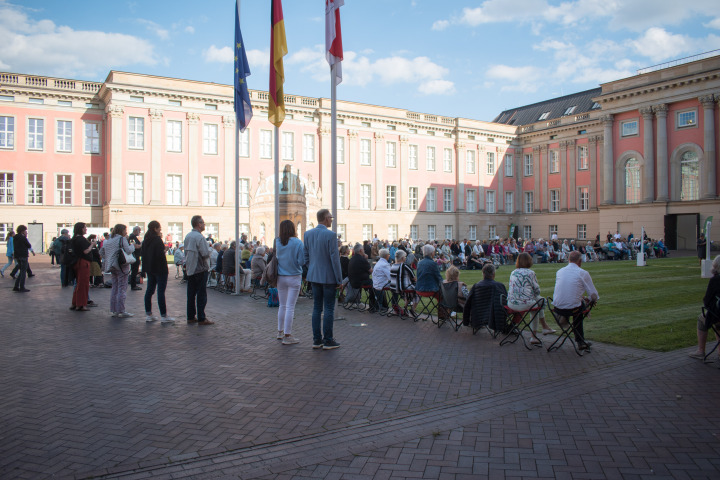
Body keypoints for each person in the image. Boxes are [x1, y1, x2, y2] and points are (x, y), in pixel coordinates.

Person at [304, 209, 343, 350]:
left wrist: (313, 268)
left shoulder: (307, 234)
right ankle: (328, 340)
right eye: (331, 217)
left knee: (316, 308)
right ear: (326, 218)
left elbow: (305, 257)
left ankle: (316, 340)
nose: (332, 220)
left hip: (314, 276)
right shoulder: (331, 235)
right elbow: (335, 259)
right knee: (328, 308)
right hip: (329, 277)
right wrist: (339, 279)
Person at [552, 251, 599, 350]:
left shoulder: (560, 271)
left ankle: (565, 317)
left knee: (578, 302)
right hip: (572, 308)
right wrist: (591, 300)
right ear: (580, 261)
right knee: (580, 308)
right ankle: (580, 341)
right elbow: (594, 294)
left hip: (557, 308)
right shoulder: (582, 273)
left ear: (569, 259)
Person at [507, 252, 555, 345]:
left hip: (511, 303)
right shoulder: (530, 273)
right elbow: (537, 290)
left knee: (539, 302)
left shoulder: (513, 272)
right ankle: (535, 335)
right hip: (524, 304)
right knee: (539, 303)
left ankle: (545, 327)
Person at [275, 220, 306, 345]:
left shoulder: (277, 241)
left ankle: (279, 331)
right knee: (290, 307)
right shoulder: (298, 242)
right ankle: (287, 335)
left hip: (280, 276)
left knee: (282, 305)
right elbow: (301, 261)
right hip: (294, 276)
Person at [141, 220, 175, 324]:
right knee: (160, 292)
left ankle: (148, 314)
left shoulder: (146, 240)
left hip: (150, 269)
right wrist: (164, 250)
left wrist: (144, 269)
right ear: (155, 228)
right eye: (159, 227)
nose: (160, 229)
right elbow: (160, 255)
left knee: (149, 291)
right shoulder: (157, 240)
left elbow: (144, 255)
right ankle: (164, 316)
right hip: (160, 269)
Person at [100, 224, 135, 317]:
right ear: (121, 230)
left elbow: (102, 252)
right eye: (125, 230)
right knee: (122, 287)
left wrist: (108, 258)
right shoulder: (121, 239)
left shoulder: (109, 240)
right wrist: (133, 246)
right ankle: (121, 310)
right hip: (121, 266)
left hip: (112, 266)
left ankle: (114, 309)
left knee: (114, 287)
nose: (126, 232)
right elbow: (128, 250)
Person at [690, 255, 720, 361]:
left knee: (703, 319)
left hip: (718, 315)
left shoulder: (715, 280)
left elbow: (707, 300)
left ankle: (701, 350)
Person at [184, 215, 213, 325]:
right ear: (199, 224)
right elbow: (205, 253)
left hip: (190, 268)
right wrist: (210, 249)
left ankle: (190, 316)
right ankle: (201, 317)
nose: (204, 225)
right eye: (203, 223)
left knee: (191, 294)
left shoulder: (188, 236)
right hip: (200, 268)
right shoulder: (199, 237)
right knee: (201, 294)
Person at [69, 222, 96, 310]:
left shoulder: (74, 239)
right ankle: (81, 304)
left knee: (78, 283)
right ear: (81, 229)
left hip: (77, 262)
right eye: (85, 227)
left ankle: (75, 303)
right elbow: (86, 251)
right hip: (83, 262)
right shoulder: (81, 239)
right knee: (83, 284)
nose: (86, 229)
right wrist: (92, 245)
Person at [11, 226, 32, 292]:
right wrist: (25, 237)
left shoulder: (15, 237)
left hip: (18, 256)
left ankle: (16, 286)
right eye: (25, 230)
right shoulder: (23, 237)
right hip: (23, 255)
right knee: (23, 272)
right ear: (22, 231)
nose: (26, 232)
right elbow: (29, 245)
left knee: (21, 271)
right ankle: (22, 287)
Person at [128, 226, 142, 291]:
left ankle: (134, 284)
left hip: (136, 256)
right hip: (134, 256)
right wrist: (141, 245)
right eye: (139, 231)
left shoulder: (134, 237)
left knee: (135, 271)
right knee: (134, 271)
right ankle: (133, 285)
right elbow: (134, 246)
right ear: (136, 230)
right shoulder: (132, 237)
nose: (140, 232)